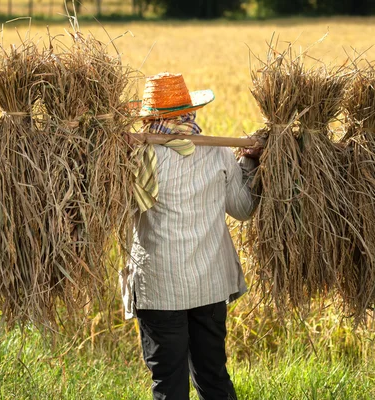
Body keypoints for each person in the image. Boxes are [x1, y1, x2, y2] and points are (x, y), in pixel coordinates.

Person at [121, 72, 260, 400]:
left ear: (150, 119)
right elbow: (242, 208)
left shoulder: (138, 158)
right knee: (213, 379)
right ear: (190, 113)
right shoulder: (217, 153)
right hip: (209, 286)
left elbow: (117, 211)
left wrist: (110, 155)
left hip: (160, 290)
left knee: (169, 385)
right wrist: (249, 162)